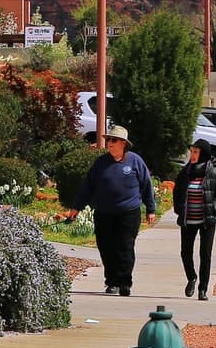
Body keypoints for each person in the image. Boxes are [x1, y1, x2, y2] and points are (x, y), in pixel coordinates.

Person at [67, 124, 157, 296]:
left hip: (128, 212)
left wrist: (151, 209)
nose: (110, 143)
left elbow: (146, 185)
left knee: (124, 247)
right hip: (103, 213)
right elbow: (88, 187)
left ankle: (124, 283)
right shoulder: (100, 163)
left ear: (123, 143)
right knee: (106, 247)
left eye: (113, 140)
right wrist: (76, 207)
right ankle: (111, 282)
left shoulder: (135, 161)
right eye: (108, 140)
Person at [174, 139, 216, 300]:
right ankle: (191, 277)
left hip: (206, 222)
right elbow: (177, 193)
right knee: (185, 253)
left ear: (203, 154)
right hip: (188, 221)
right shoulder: (185, 173)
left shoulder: (212, 173)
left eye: (196, 152)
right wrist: (179, 210)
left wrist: (213, 209)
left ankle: (202, 289)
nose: (193, 155)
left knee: (205, 255)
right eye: (192, 152)